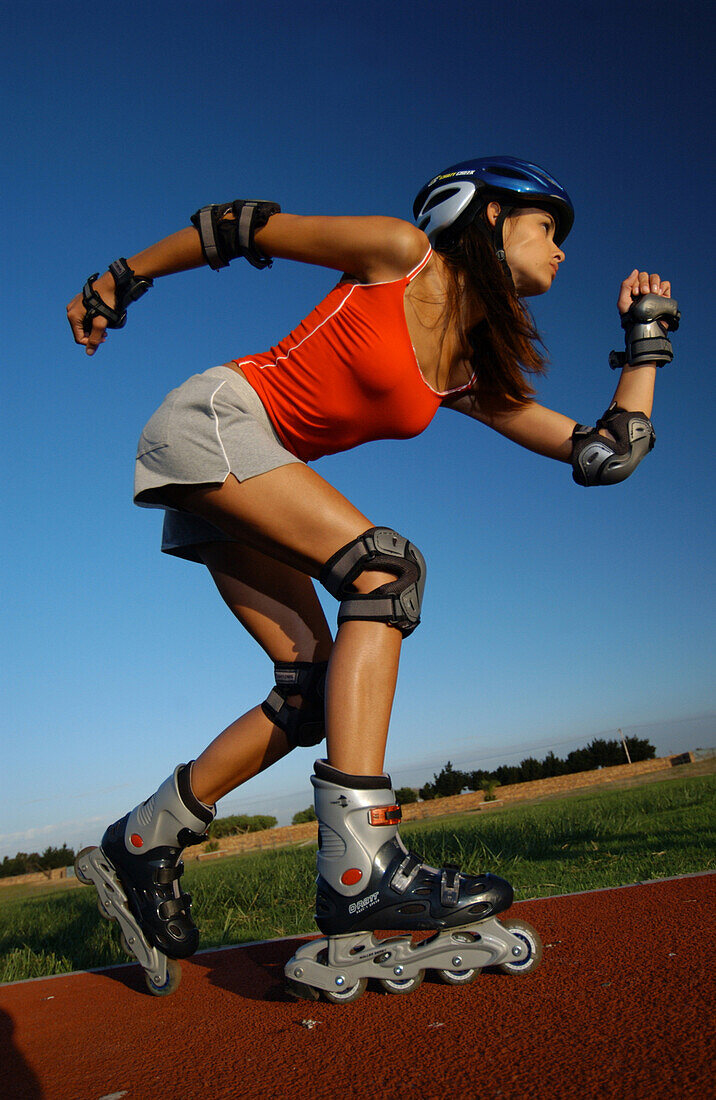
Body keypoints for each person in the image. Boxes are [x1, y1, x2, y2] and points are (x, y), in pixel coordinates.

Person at [67, 157, 679, 999]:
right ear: (488, 216)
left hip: (251, 477)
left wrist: (648, 341)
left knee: (309, 693)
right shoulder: (399, 254)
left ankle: (141, 840)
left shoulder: (466, 371)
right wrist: (117, 282)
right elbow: (236, 224)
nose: (563, 251)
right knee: (385, 570)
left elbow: (604, 456)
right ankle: (362, 864)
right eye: (548, 227)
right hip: (217, 422)